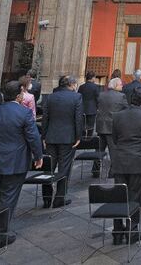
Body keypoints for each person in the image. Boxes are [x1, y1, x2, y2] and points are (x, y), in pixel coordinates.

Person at [0, 80, 43, 249]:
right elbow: (33, 137)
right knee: (8, 197)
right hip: (15, 162)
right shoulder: (24, 113)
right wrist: (38, 155)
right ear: (19, 94)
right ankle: (1, 234)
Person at [110, 85, 141, 245]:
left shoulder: (117, 116)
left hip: (120, 160)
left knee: (118, 196)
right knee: (135, 197)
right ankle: (132, 230)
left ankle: (117, 232)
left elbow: (115, 139)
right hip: (139, 161)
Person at [41, 75, 84, 208]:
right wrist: (78, 136)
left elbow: (45, 118)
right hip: (68, 137)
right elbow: (78, 119)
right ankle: (59, 198)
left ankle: (47, 198)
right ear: (71, 85)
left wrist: (44, 136)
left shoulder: (50, 97)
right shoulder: (76, 97)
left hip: (51, 136)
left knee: (48, 169)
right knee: (64, 168)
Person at [94, 77, 128, 177]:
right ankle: (112, 172)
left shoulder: (101, 94)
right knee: (113, 151)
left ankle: (95, 170)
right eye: (121, 84)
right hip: (112, 127)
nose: (122, 86)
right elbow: (126, 109)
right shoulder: (121, 96)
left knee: (99, 150)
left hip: (101, 125)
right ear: (116, 85)